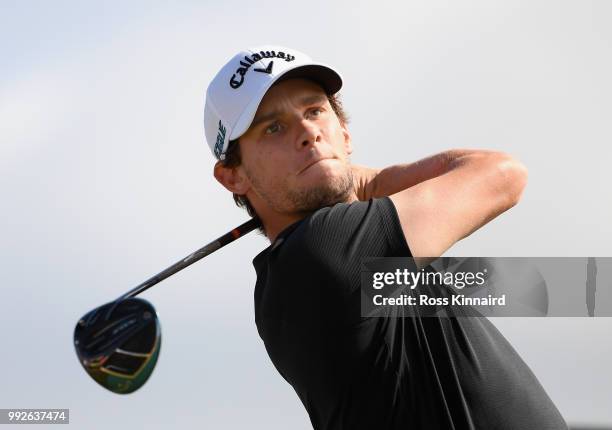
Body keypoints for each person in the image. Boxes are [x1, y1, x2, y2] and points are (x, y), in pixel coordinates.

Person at [204, 45, 568, 430]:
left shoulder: (328, 263)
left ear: (344, 133)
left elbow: (541, 286)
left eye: (315, 111)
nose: (308, 132)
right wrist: (371, 181)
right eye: (273, 127)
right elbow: (504, 175)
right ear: (234, 176)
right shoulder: (321, 250)